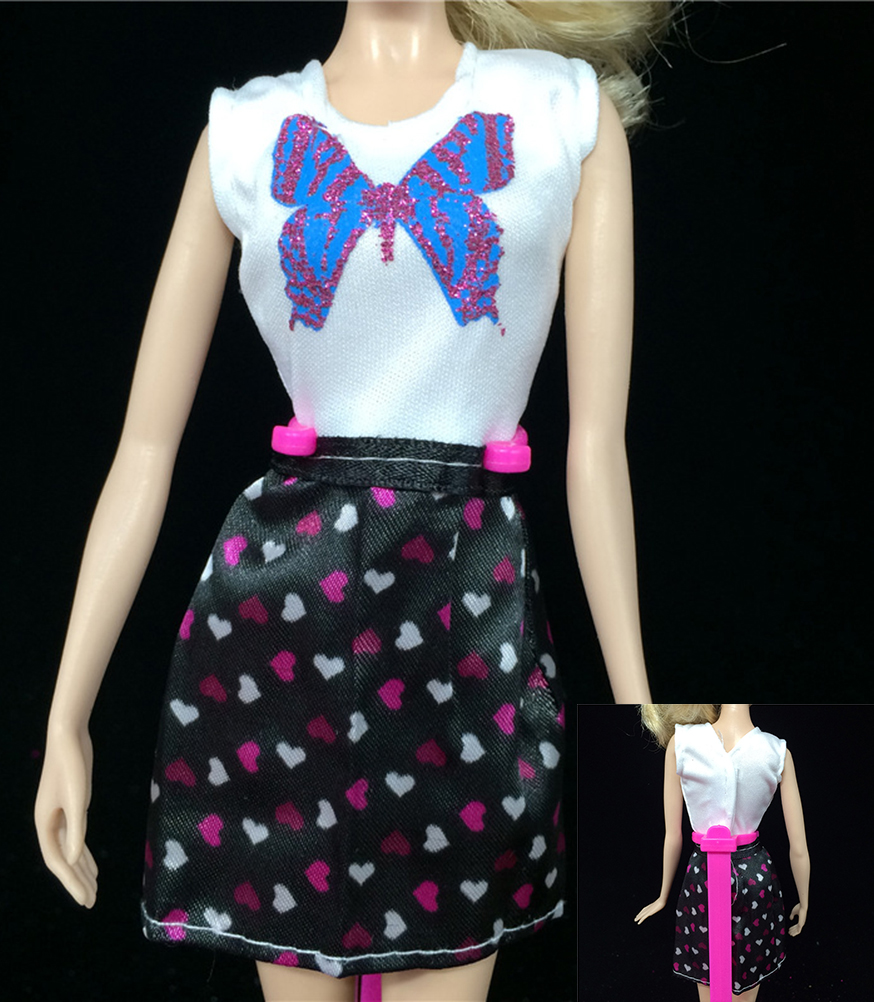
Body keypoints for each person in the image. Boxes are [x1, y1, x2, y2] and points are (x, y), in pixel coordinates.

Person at [36, 3, 671, 999]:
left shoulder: (558, 115)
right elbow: (143, 451)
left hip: (466, 610)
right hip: (283, 621)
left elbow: (597, 451)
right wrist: (66, 716)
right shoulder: (249, 131)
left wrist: (639, 710)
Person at [635, 704, 810, 1002]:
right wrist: (804, 902)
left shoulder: (684, 743)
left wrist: (663, 895)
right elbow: (799, 848)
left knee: (719, 982)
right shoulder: (776, 752)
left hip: (709, 876)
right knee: (730, 983)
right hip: (749, 876)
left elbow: (673, 835)